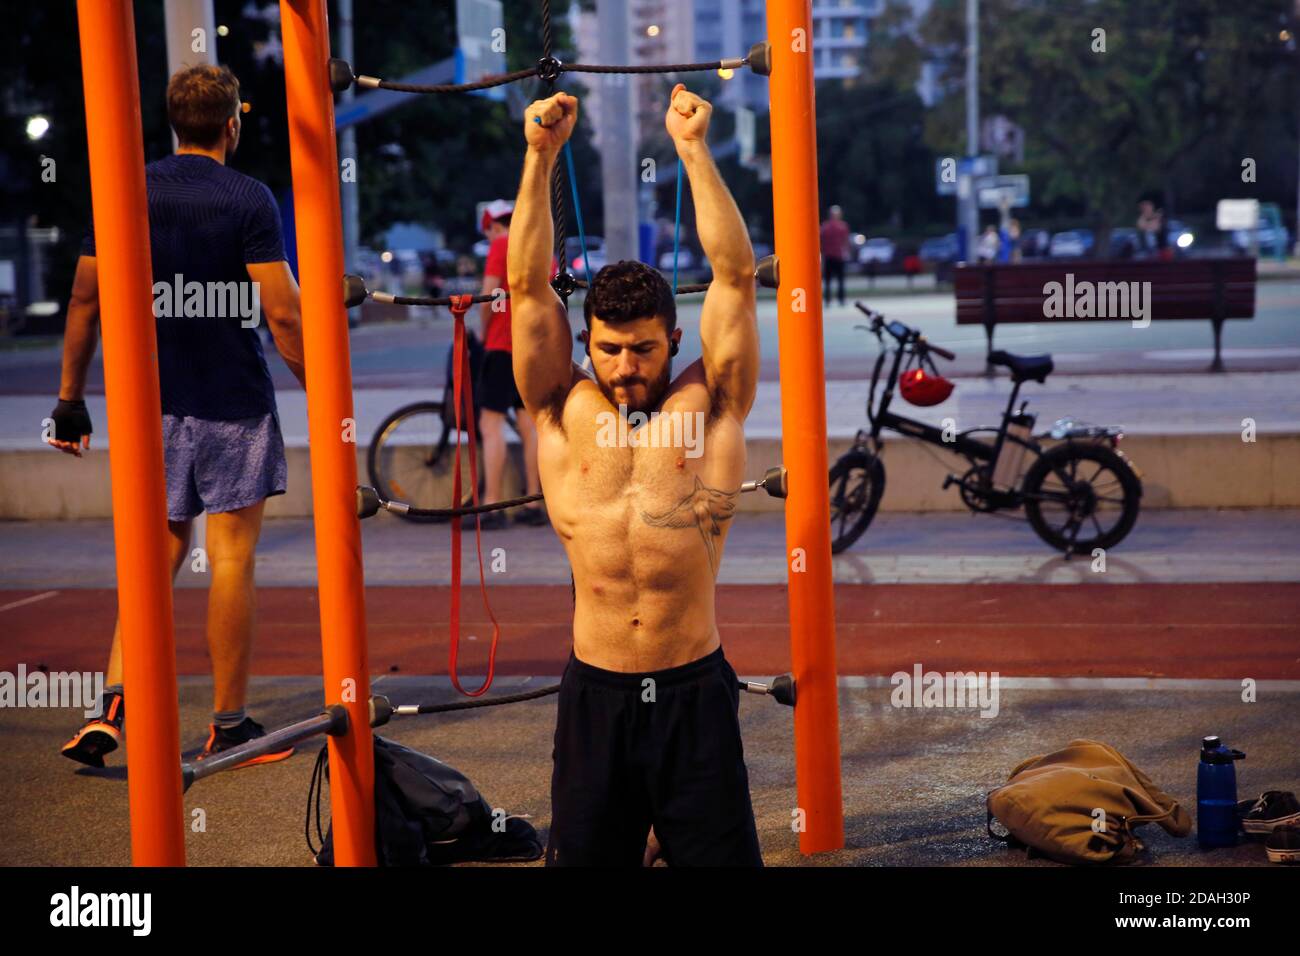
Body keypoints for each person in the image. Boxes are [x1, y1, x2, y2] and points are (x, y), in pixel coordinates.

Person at [508, 84, 763, 867]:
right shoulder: (559, 403)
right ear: (587, 339)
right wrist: (538, 156)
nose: (624, 367)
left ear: (672, 337)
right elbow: (525, 288)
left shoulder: (713, 400)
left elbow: (738, 276)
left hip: (693, 693)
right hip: (597, 695)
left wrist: (691, 150)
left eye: (644, 349)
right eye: (609, 348)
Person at [50, 65, 306, 770]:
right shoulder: (248, 198)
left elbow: (82, 301)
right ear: (232, 124)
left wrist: (70, 401)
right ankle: (227, 725)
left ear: (171, 123)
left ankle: (112, 703)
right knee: (230, 559)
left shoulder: (125, 189)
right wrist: (325, 393)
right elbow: (281, 311)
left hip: (151, 406)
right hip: (231, 401)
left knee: (155, 555)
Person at [474, 199, 546, 528]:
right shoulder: (539, 245)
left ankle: (492, 505)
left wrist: (482, 331)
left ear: (491, 226)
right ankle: (533, 501)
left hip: (502, 345)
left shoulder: (500, 245)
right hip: (535, 349)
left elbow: (489, 296)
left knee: (490, 425)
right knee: (530, 426)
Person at [819, 204, 850, 306]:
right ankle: (840, 299)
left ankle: (828, 300)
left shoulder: (824, 227)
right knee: (839, 279)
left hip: (829, 256)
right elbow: (845, 242)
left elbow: (821, 241)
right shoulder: (843, 226)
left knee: (828, 280)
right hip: (837, 255)